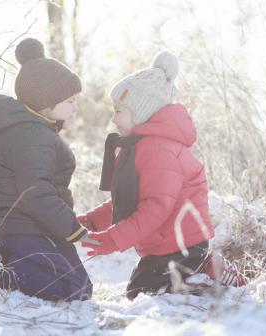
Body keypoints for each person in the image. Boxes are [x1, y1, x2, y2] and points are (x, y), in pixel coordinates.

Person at [78, 51, 249, 300]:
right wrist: (92, 222)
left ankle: (204, 273)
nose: (113, 119)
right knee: (138, 289)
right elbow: (130, 198)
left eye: (118, 111)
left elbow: (155, 207)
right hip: (167, 244)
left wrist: (113, 238)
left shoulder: (158, 150)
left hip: (182, 246)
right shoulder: (143, 146)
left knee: (141, 292)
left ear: (141, 111)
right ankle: (197, 271)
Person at [0, 38, 98, 301]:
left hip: (36, 227)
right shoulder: (32, 135)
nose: (75, 108)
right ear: (47, 103)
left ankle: (8, 260)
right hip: (26, 229)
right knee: (77, 290)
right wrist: (72, 228)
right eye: (70, 100)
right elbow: (36, 191)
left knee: (79, 287)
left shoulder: (34, 131)